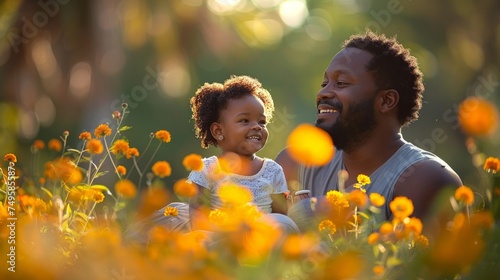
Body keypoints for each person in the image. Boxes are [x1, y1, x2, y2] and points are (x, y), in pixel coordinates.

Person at [276, 31, 462, 234]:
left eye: (341, 83)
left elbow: (414, 264)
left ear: (386, 101)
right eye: (324, 83)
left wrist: (326, 219)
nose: (323, 93)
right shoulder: (295, 163)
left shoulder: (424, 179)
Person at [125, 75, 298, 244]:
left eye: (262, 122)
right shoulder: (207, 168)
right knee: (192, 235)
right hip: (217, 236)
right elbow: (197, 215)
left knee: (285, 224)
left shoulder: (273, 170)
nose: (256, 127)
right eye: (245, 120)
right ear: (218, 131)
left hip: (258, 239)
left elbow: (280, 215)